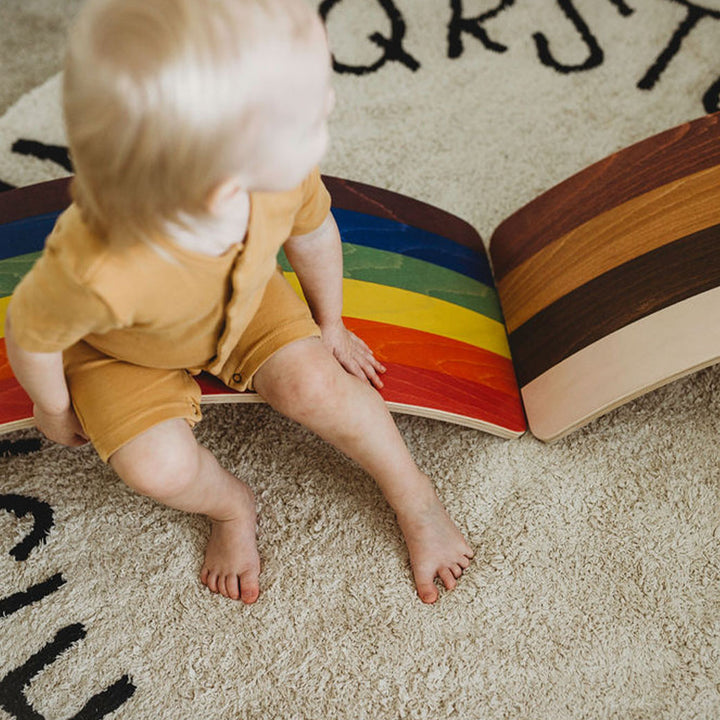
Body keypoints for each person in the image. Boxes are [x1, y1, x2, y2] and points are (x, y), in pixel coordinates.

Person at [5, 0, 473, 605]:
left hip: (249, 301)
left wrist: (329, 323)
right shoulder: (95, 266)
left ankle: (416, 496)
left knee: (319, 386)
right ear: (227, 179)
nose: (329, 107)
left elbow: (313, 235)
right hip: (120, 352)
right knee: (155, 469)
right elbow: (31, 333)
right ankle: (230, 506)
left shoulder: (280, 175)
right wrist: (51, 405)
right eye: (311, 115)